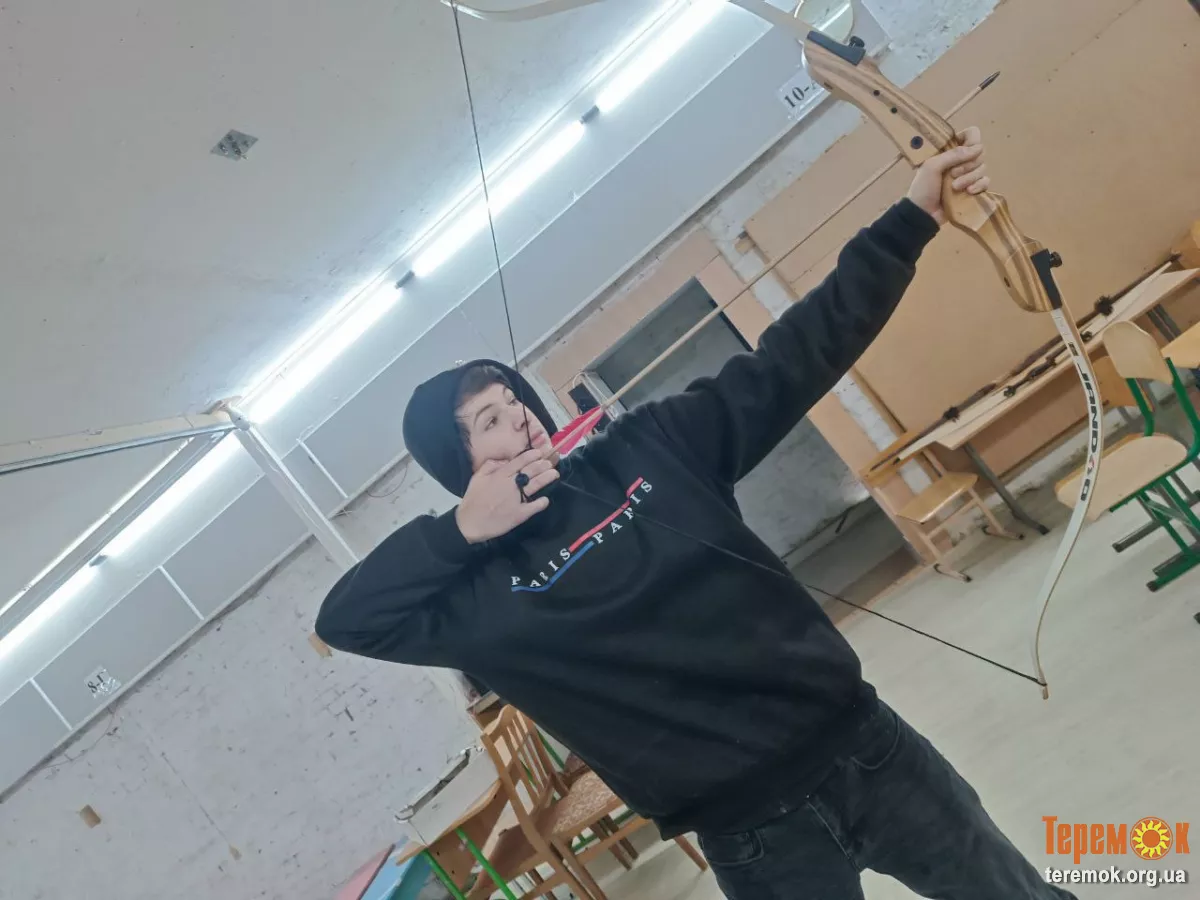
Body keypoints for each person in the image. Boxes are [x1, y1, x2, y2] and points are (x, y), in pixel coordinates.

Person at [315, 127, 1076, 900]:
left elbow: (791, 359)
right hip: (751, 833)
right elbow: (346, 620)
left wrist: (910, 221)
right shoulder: (474, 595)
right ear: (461, 468)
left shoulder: (648, 446)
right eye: (487, 421)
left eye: (513, 400)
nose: (518, 417)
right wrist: (461, 533)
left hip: (867, 750)